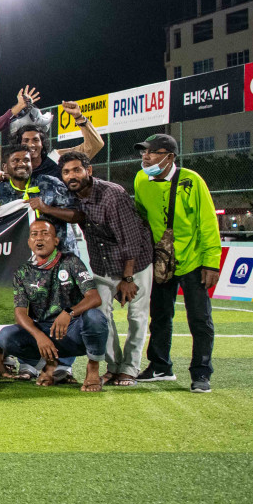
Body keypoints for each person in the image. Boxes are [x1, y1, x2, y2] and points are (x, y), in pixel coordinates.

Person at [132, 134, 220, 391]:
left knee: (200, 319)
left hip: (193, 260)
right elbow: (142, 218)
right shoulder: (140, 179)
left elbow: (207, 223)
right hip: (161, 261)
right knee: (159, 316)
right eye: (143, 153)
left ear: (170, 157)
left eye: (152, 152)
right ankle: (160, 366)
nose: (145, 157)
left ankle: (201, 373)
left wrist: (211, 262)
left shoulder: (192, 181)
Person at [59, 151, 153, 386]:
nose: (72, 175)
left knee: (137, 316)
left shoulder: (113, 194)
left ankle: (130, 369)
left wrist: (128, 278)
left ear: (88, 171)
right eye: (66, 172)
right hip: (102, 264)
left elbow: (131, 239)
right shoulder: (74, 197)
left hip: (135, 264)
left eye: (76, 170)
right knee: (101, 315)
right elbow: (74, 216)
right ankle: (113, 366)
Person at [0, 218, 108, 390]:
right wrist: (39, 336)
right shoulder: (22, 272)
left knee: (95, 317)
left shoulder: (71, 261)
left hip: (73, 330)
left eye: (45, 234)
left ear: (55, 241)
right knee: (6, 336)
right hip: (45, 331)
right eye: (34, 235)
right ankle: (50, 365)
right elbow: (20, 312)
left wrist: (68, 312)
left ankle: (92, 369)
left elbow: (94, 298)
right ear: (29, 242)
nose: (39, 238)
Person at [0, 147, 80, 253]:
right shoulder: (0, 191)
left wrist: (46, 209)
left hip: (62, 255)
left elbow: (76, 215)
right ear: (5, 167)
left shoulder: (50, 183)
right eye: (15, 160)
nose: (22, 164)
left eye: (26, 160)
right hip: (24, 259)